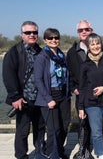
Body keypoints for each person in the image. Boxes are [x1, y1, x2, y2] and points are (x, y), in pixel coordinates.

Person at [2, 21, 45, 159]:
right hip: (23, 99)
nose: (32, 35)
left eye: (35, 32)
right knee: (22, 130)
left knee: (40, 127)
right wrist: (15, 96)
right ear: (22, 35)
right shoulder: (14, 52)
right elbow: (8, 75)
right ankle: (21, 155)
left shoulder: (41, 51)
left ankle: (40, 153)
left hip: (39, 98)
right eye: (28, 32)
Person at [66, 20, 103, 155]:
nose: (84, 32)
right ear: (78, 33)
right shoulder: (72, 52)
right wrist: (73, 88)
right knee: (83, 123)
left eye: (86, 29)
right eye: (81, 30)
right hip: (82, 95)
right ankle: (84, 150)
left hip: (100, 93)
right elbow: (69, 74)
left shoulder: (102, 49)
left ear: (91, 30)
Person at [34, 28, 71, 159]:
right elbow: (38, 80)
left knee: (65, 124)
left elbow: (66, 75)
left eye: (56, 38)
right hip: (49, 97)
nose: (54, 40)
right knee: (53, 129)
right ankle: (51, 155)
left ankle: (59, 152)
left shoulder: (61, 55)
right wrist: (48, 99)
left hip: (63, 95)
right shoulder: (42, 57)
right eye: (50, 38)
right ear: (45, 40)